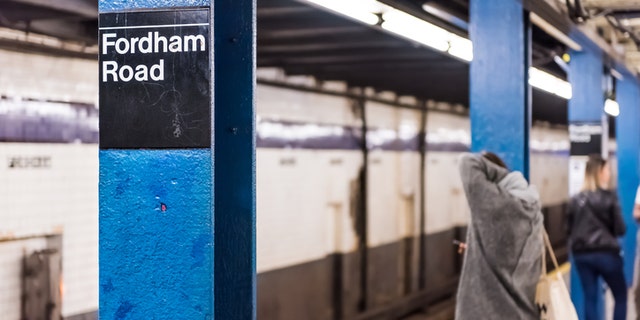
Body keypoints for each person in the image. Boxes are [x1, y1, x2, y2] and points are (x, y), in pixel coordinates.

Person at [455, 152, 543, 320]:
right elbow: (507, 257)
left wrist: (497, 176)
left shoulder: (496, 205)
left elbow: (466, 162)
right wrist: (476, 250)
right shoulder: (532, 211)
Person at [567, 154, 626, 320]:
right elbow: (620, 229)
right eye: (607, 169)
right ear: (599, 171)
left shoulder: (575, 200)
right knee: (620, 296)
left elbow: (569, 229)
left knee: (590, 297)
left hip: (582, 255)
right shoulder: (609, 197)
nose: (609, 172)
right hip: (607, 254)